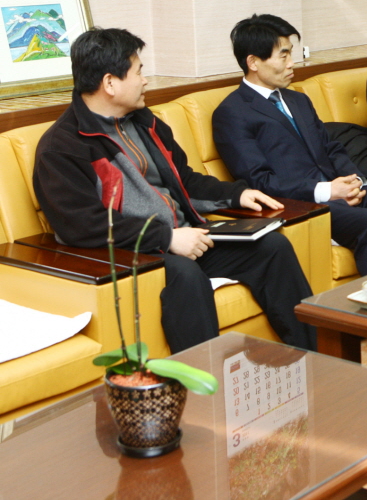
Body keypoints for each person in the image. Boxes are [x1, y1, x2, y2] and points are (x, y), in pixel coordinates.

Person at [34, 28, 316, 353]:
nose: (145, 80)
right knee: (185, 275)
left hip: (185, 237)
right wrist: (166, 237)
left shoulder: (144, 121)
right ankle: (204, 391)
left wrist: (235, 195)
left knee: (271, 247)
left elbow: (184, 180)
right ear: (110, 83)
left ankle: (314, 357)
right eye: (139, 72)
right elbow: (81, 226)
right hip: (135, 252)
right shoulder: (63, 147)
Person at [212, 14, 367, 276]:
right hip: (305, 206)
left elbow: (331, 148)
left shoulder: (297, 100)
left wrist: (355, 181)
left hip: (342, 191)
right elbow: (259, 181)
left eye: (290, 54)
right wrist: (327, 190)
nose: (292, 64)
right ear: (253, 62)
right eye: (282, 56)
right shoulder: (232, 113)